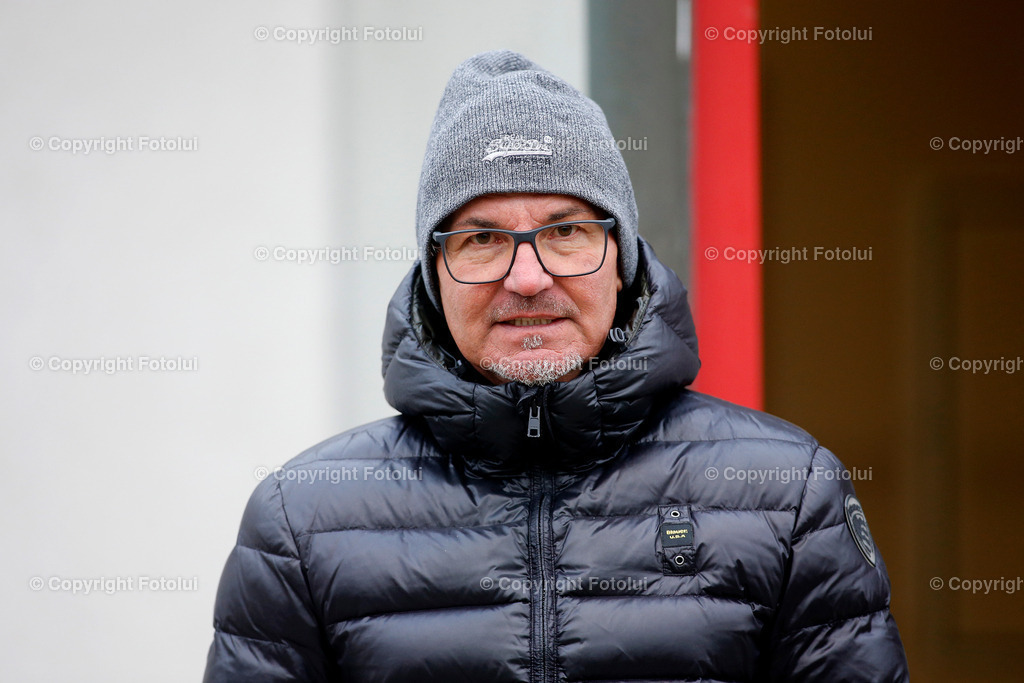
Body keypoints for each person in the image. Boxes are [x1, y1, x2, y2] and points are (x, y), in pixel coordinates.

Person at [203, 50, 909, 682]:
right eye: (482, 237)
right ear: (433, 274)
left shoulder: (787, 497)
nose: (529, 276)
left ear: (623, 257)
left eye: (567, 231)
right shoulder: (299, 523)